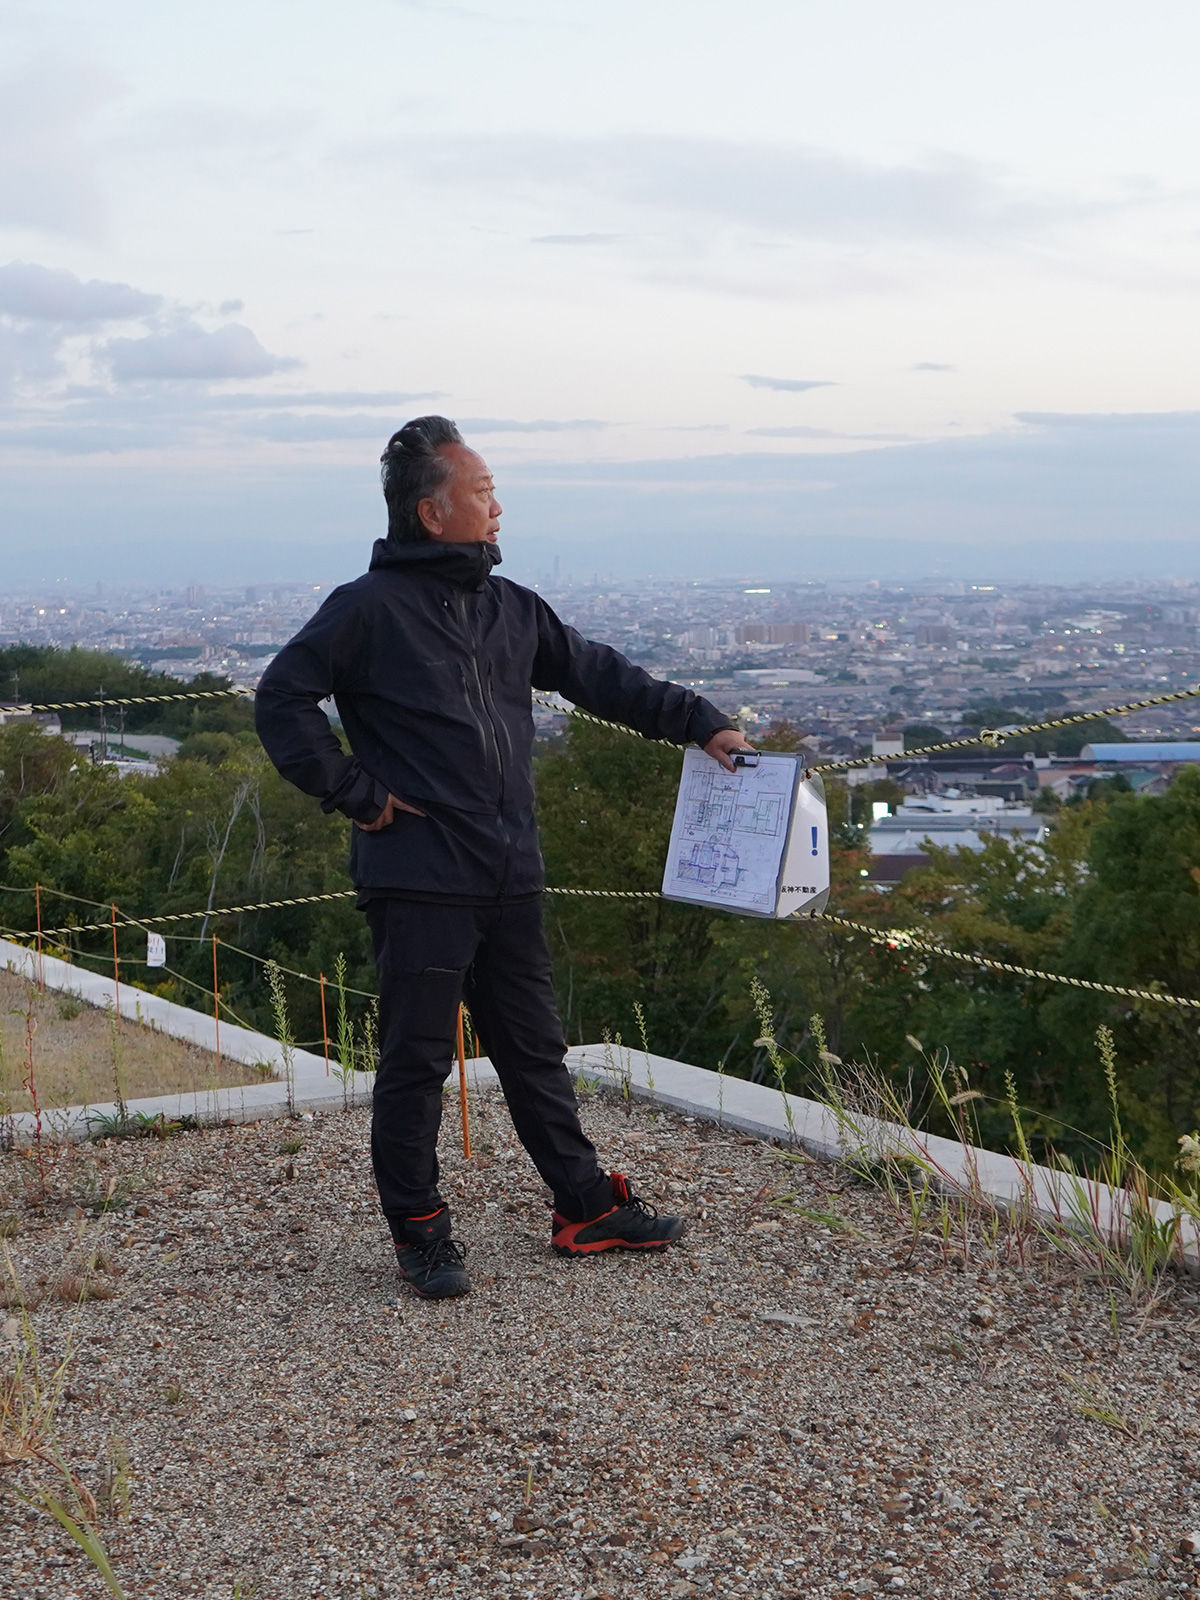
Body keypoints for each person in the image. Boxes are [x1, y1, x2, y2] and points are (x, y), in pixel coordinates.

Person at [255, 416, 754, 1299]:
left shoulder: (511, 605)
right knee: (416, 1062)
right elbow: (282, 701)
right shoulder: (366, 610)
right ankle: (421, 1233)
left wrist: (700, 721)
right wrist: (356, 793)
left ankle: (587, 1206)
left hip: (508, 869)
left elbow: (600, 674)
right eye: (481, 492)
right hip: (418, 875)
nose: (497, 507)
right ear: (431, 512)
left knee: (535, 1052)